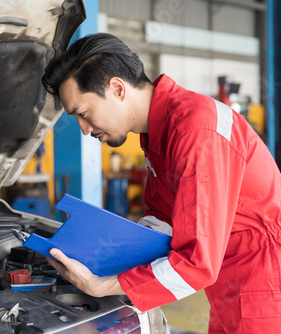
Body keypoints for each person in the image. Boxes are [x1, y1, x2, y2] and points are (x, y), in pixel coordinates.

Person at [41, 33, 281, 333]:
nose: (85, 129)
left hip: (265, 283)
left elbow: (197, 262)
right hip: (231, 282)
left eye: (83, 113)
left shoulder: (196, 130)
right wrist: (108, 253)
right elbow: (164, 214)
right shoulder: (160, 132)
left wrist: (103, 285)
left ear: (117, 88)